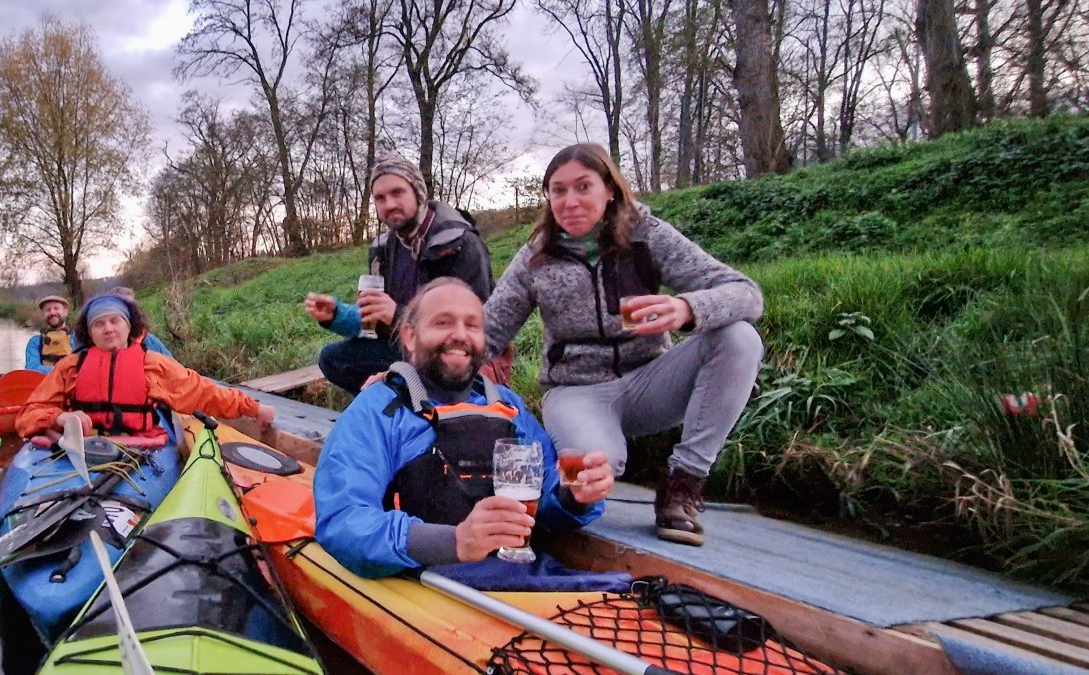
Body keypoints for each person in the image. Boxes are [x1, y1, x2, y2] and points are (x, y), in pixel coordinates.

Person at [482, 143, 764, 547]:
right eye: (558, 190)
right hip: (575, 392)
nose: (570, 201)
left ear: (610, 190)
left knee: (739, 338)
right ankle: (553, 513)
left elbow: (747, 294)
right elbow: (488, 332)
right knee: (588, 473)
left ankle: (683, 483)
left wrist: (687, 307)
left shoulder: (648, 235)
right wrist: (413, 375)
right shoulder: (536, 258)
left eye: (583, 186)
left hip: (650, 382)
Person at [314, 278, 615, 579]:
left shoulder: (509, 406)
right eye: (443, 323)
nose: (460, 335)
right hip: (425, 585)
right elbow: (343, 520)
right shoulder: (377, 409)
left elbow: (545, 500)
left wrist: (573, 496)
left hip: (514, 577)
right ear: (410, 336)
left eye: (472, 326)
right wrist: (455, 541)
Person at [304, 155, 499, 394]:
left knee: (388, 378)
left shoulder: (457, 243)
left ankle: (413, 401)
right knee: (333, 359)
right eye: (380, 198)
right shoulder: (384, 248)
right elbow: (378, 323)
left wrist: (397, 315)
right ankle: (394, 402)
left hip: (452, 354)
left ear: (417, 193)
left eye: (397, 193)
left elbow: (476, 328)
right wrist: (337, 314)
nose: (389, 205)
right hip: (406, 345)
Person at [15, 292, 274, 443]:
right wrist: (59, 418)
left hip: (141, 448)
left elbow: (204, 393)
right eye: (99, 324)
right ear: (89, 333)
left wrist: (253, 408)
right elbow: (28, 415)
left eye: (115, 321)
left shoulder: (152, 363)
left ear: (129, 327)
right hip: (83, 446)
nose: (108, 329)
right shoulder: (69, 366)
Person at [24, 294, 73, 374]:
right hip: (45, 381)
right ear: (44, 314)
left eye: (56, 308)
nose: (52, 312)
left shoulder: (78, 339)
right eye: (48, 310)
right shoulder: (35, 342)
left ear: (65, 312)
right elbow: (32, 369)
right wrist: (63, 371)